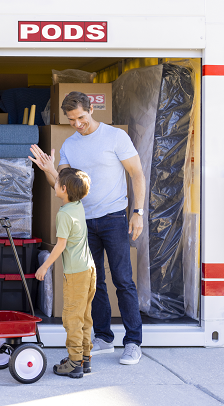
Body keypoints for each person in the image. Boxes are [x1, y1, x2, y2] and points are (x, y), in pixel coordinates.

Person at [29, 91, 146, 366]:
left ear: (92, 109)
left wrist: (138, 212)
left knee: (123, 280)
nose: (77, 123)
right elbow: (62, 186)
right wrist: (48, 169)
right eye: (71, 119)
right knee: (95, 283)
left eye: (81, 117)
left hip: (114, 217)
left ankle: (133, 342)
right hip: (84, 222)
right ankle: (104, 337)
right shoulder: (70, 145)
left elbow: (137, 174)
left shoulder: (115, 137)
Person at [36, 168, 96, 378]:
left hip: (76, 273)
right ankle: (84, 358)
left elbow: (60, 246)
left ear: (63, 189)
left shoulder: (63, 214)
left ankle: (74, 362)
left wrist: (44, 267)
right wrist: (50, 167)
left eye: (57, 182)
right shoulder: (77, 205)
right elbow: (66, 182)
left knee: (72, 318)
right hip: (89, 269)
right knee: (85, 316)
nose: (54, 184)